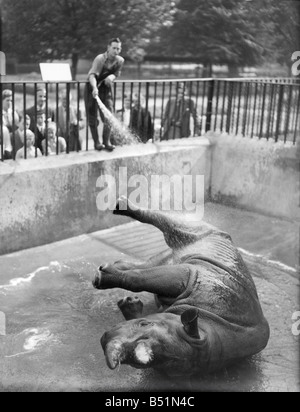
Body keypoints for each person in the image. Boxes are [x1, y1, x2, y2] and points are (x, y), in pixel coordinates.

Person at [84, 38, 124, 151]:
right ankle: (97, 143)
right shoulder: (100, 59)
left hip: (106, 89)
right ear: (108, 48)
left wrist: (112, 76)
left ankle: (107, 141)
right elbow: (92, 76)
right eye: (114, 48)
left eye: (118, 48)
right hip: (92, 88)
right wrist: (94, 88)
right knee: (92, 117)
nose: (116, 51)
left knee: (109, 116)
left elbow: (117, 73)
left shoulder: (120, 60)